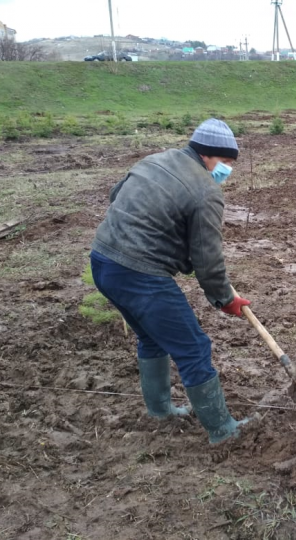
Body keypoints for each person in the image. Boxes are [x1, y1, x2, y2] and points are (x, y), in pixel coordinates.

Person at [90, 118, 258, 446]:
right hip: (139, 274)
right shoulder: (206, 191)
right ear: (208, 155)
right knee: (194, 347)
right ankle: (223, 430)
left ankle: (160, 410)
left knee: (152, 339)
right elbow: (208, 259)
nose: (227, 171)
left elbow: (116, 197)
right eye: (225, 163)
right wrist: (224, 299)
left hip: (102, 261)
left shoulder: (154, 160)